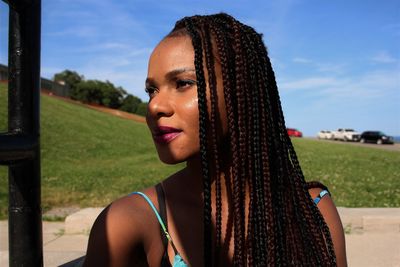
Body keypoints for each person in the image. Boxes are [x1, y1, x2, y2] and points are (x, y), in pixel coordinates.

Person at [83, 13, 347, 267]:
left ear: (241, 90)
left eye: (183, 83)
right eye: (152, 90)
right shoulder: (128, 224)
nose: (154, 106)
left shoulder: (312, 208)